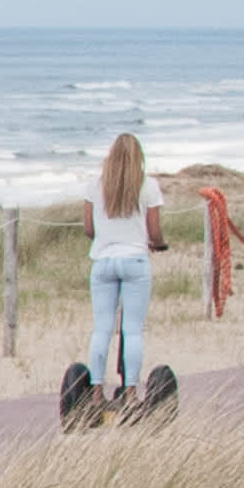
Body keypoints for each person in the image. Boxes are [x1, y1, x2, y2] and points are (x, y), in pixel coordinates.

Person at [81, 132, 166, 404]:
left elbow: (89, 228)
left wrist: (108, 239)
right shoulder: (148, 186)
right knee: (132, 330)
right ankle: (130, 392)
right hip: (135, 260)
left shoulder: (95, 185)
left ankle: (95, 392)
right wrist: (158, 243)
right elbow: (154, 230)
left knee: (102, 329)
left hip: (103, 261)